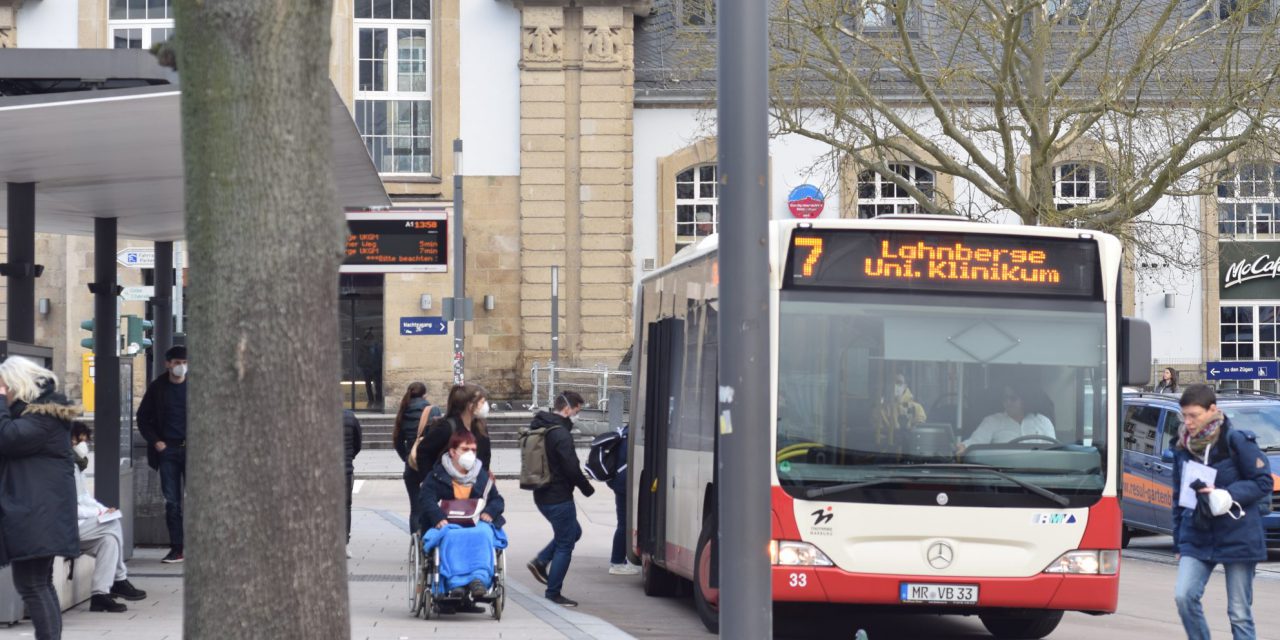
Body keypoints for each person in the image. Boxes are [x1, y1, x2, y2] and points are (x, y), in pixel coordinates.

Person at [1171, 384, 1272, 640]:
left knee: (1238, 612)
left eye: (1194, 415)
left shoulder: (1235, 440)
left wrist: (1227, 494)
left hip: (1238, 535)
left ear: (1212, 410)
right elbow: (1178, 498)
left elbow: (1263, 482)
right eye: (1185, 416)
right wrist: (1179, 543)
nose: (1188, 422)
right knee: (1184, 596)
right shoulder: (1183, 448)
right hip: (1197, 534)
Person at [0, 357, 80, 639]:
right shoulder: (42, 414)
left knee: (32, 584)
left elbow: (6, 438)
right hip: (40, 511)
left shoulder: (44, 416)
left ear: (16, 385)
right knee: (39, 583)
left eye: (4, 388)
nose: (4, 393)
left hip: (38, 513)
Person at [525, 391, 595, 607]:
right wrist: (587, 488)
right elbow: (571, 467)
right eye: (577, 411)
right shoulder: (561, 434)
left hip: (541, 493)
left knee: (574, 532)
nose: (577, 415)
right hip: (558, 497)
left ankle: (541, 561)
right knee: (566, 543)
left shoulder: (540, 426)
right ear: (567, 409)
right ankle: (553, 592)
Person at [418, 429, 506, 600]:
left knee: (484, 533)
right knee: (450, 535)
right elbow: (425, 498)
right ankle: (456, 582)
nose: (470, 454)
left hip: (475, 522)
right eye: (465, 449)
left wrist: (489, 512)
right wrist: (437, 517)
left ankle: (478, 580)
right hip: (447, 522)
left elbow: (497, 500)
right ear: (452, 452)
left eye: (473, 450)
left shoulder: (481, 476)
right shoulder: (437, 475)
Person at [70, 422, 146, 612]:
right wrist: (99, 514)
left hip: (80, 525)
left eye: (85, 441)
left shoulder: (75, 465)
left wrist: (103, 509)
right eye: (79, 441)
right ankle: (119, 579)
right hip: (66, 526)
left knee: (109, 541)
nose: (83, 445)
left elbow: (83, 497)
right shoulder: (61, 466)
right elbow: (68, 507)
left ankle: (100, 595)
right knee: (112, 524)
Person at [136, 345, 189, 564]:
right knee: (172, 502)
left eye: (185, 363)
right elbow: (142, 417)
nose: (182, 367)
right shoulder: (158, 388)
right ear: (168, 364)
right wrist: (157, 442)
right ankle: (177, 548)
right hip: (168, 450)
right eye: (177, 363)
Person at [394, 382, 443, 534]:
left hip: (411, 465)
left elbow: (397, 441)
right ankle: (428, 542)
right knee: (431, 504)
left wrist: (407, 457)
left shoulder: (403, 411)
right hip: (430, 465)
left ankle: (416, 542)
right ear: (424, 394)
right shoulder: (432, 410)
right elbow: (440, 437)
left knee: (415, 509)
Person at [414, 383, 492, 477]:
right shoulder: (446, 427)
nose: (485, 406)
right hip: (449, 485)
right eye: (482, 402)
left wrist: (483, 479)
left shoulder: (480, 426)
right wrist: (429, 480)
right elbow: (424, 451)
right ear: (470, 405)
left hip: (475, 484)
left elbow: (485, 456)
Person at [960, 384, 1054, 449]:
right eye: (1005, 398)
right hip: (1001, 474)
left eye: (1013, 398)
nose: (1008, 402)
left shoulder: (1043, 421)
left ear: (1025, 399)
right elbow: (974, 443)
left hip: (1037, 474)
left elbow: (1053, 453)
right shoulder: (992, 421)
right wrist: (963, 447)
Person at [607, 425, 639, 575]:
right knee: (624, 524)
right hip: (625, 485)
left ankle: (620, 560)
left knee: (623, 523)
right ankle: (617, 562)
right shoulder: (632, 436)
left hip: (620, 484)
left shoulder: (625, 433)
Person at [872, 373, 927, 447]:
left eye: (899, 382)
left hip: (910, 450)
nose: (895, 386)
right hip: (888, 451)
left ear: (905, 386)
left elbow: (919, 434)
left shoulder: (916, 408)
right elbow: (877, 433)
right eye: (892, 382)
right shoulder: (880, 409)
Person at [343, 409, 362, 558]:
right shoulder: (350, 417)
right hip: (345, 469)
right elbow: (358, 442)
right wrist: (350, 456)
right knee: (345, 507)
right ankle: (344, 544)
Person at [358, 328, 383, 409]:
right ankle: (371, 400)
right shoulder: (363, 348)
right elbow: (360, 358)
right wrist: (362, 366)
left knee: (377, 385)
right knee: (368, 386)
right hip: (367, 369)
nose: (369, 340)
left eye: (370, 338)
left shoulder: (377, 347)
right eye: (368, 338)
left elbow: (380, 357)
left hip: (376, 369)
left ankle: (378, 400)